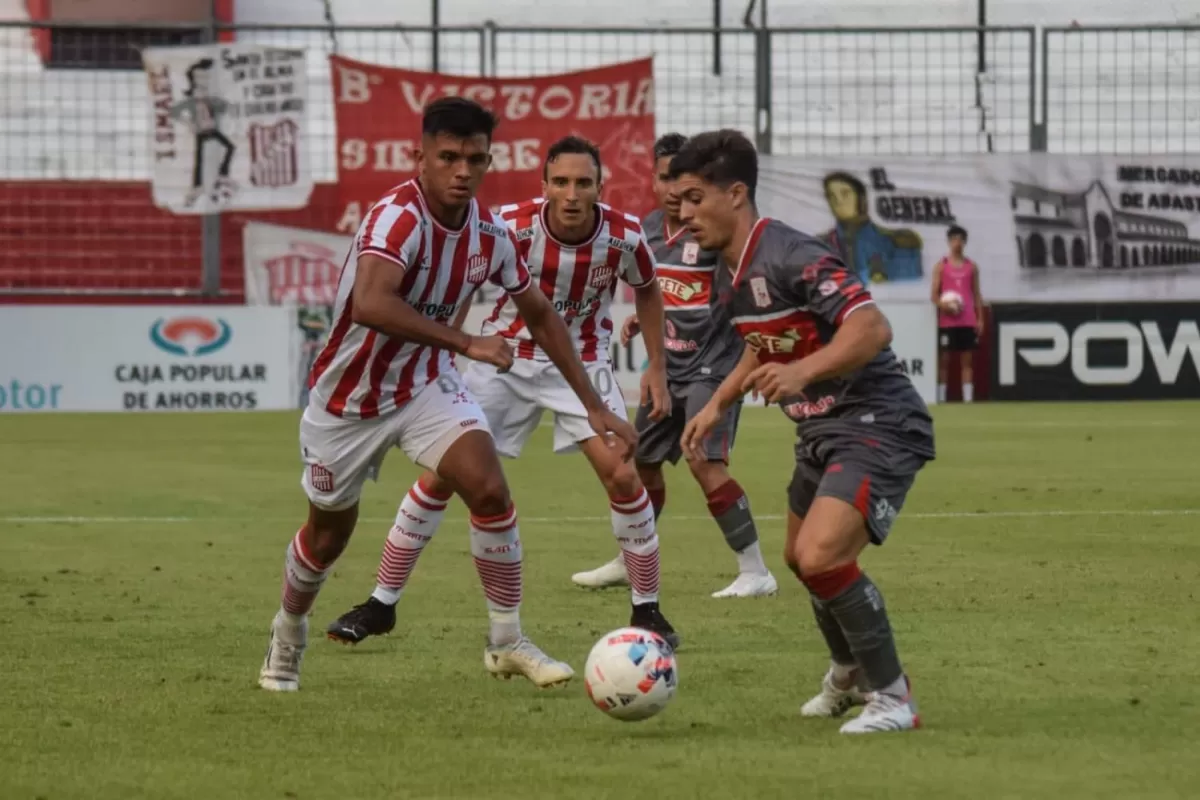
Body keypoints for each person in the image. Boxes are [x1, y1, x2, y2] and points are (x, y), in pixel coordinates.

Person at [258, 100, 637, 692]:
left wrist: (592, 403)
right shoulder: (395, 219)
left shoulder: (489, 233)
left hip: (425, 388)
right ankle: (288, 629)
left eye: (476, 159)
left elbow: (539, 312)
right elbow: (372, 303)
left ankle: (507, 640)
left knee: (487, 485)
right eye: (449, 157)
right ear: (421, 158)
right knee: (327, 537)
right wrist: (468, 341)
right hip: (348, 403)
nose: (463, 170)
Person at [324, 135, 682, 651]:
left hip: (579, 363)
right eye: (561, 182)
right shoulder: (508, 225)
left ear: (601, 187)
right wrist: (452, 347)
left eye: (584, 183)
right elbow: (462, 279)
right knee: (442, 477)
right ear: (544, 186)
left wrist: (657, 367)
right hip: (504, 361)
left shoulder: (625, 236)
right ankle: (381, 602)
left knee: (624, 475)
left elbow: (647, 288)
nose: (572, 193)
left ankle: (648, 610)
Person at [671, 129, 935, 734]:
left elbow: (871, 329)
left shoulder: (793, 254)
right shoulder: (727, 269)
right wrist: (716, 405)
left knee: (821, 557)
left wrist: (802, 371)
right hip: (821, 431)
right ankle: (847, 674)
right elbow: (762, 341)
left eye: (692, 198)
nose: (683, 215)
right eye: (678, 201)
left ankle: (895, 699)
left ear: (735, 194)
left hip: (878, 422)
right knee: (797, 559)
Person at [571, 132, 777, 599]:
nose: (669, 191)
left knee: (704, 462)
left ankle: (755, 571)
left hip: (715, 366)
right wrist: (640, 333)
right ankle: (630, 559)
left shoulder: (712, 228)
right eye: (662, 179)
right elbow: (653, 293)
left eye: (679, 184)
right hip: (667, 367)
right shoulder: (644, 231)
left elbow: (745, 287)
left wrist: (763, 350)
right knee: (638, 464)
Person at [932, 225, 985, 403]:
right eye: (954, 239)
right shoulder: (941, 266)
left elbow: (976, 294)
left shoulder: (972, 267)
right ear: (949, 242)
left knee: (967, 362)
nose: (957, 243)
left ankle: (967, 400)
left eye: (960, 239)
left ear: (965, 242)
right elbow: (934, 295)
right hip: (947, 322)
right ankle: (940, 398)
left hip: (967, 320)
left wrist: (980, 319)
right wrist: (944, 305)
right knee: (944, 361)